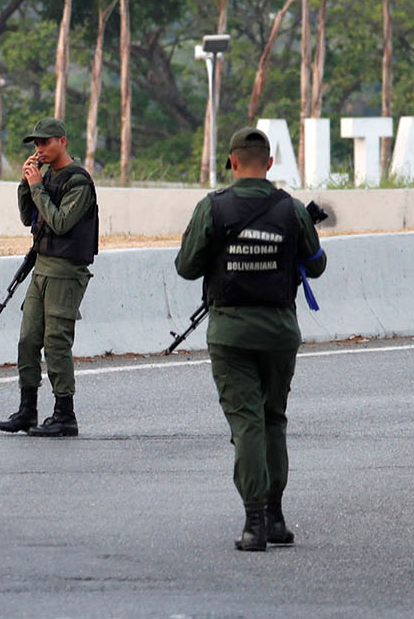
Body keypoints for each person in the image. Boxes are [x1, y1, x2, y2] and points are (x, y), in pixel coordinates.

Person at [174, 127, 326, 552]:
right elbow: (316, 267)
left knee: (247, 423)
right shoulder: (291, 210)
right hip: (280, 332)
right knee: (273, 418)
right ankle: (275, 517)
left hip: (231, 334)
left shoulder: (213, 208)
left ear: (233, 162)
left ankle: (254, 522)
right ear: (270, 164)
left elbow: (186, 266)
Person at [0, 117, 99, 439]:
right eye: (36, 144)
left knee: (56, 342)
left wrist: (37, 186)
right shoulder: (46, 175)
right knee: (28, 340)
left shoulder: (78, 181)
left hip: (66, 271)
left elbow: (60, 222)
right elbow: (30, 217)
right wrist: (25, 184)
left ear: (62, 142)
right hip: (41, 266)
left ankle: (64, 414)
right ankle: (27, 410)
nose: (39, 149)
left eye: (45, 142)